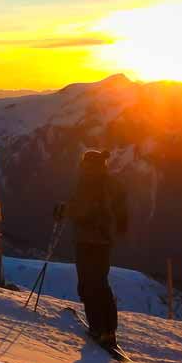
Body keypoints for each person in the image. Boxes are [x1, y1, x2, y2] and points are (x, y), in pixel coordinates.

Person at [66, 149, 128, 348]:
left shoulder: (88, 183)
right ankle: (109, 330)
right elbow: (120, 214)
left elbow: (81, 209)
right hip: (103, 241)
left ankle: (98, 328)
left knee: (88, 284)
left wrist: (63, 210)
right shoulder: (111, 183)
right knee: (100, 283)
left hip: (87, 240)